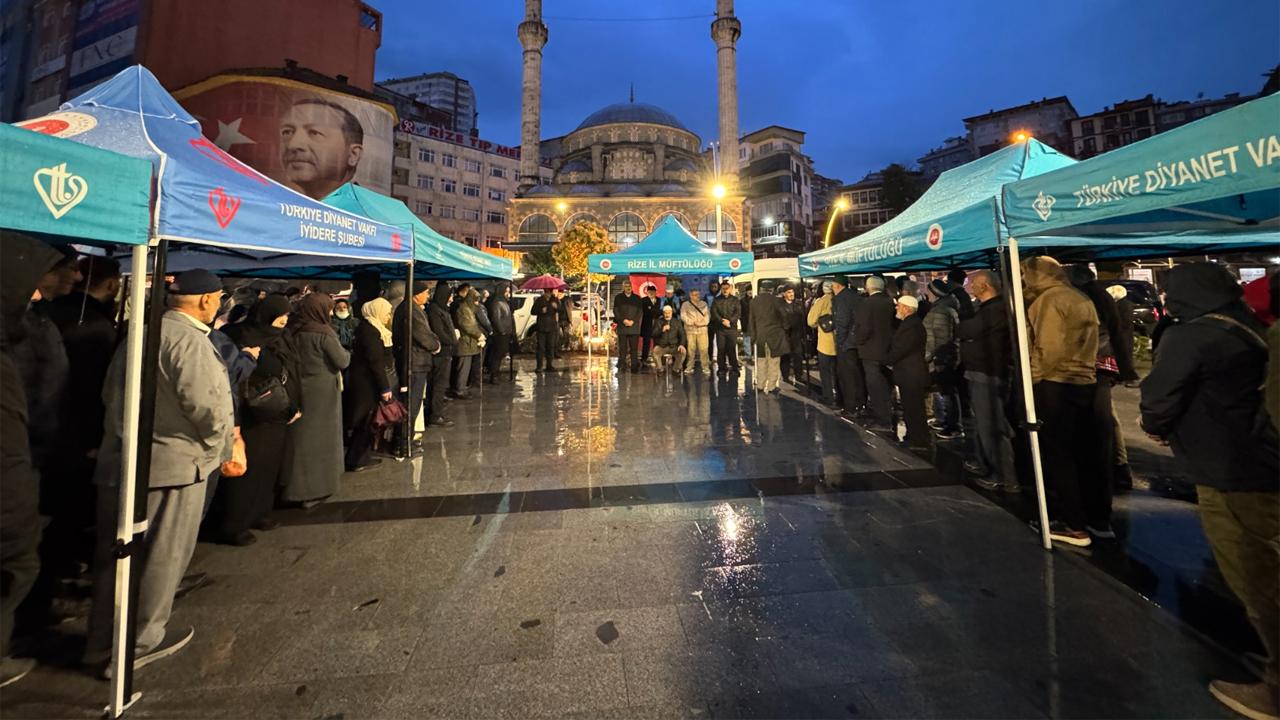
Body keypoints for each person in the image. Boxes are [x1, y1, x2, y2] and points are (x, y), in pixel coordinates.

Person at [1139, 263, 1279, 719]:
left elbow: (1160, 397)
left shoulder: (1190, 335)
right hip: (1261, 460)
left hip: (1226, 467)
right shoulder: (1247, 325)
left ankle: (1275, 688)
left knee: (1253, 574)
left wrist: (1158, 425)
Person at [85, 269, 236, 674]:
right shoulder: (188, 341)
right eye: (219, 297)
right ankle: (141, 640)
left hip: (123, 461)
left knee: (116, 559)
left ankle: (101, 641)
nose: (220, 304)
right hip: (174, 466)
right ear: (206, 300)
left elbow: (108, 395)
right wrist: (218, 447)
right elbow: (209, 408)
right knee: (161, 557)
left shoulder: (142, 334)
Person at [24, 257, 120, 628]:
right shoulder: (92, 326)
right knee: (59, 520)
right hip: (70, 438)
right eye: (68, 267)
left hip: (43, 437)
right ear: (112, 285)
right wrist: (94, 437)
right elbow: (96, 389)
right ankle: (45, 599)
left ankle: (47, 593)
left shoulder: (44, 317)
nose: (75, 275)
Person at [1, 233, 65, 687]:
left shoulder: (23, 333)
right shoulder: (23, 338)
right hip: (17, 475)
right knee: (18, 564)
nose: (39, 295)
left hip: (36, 457)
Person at [1022, 256, 1100, 547]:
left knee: (1059, 454)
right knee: (1080, 452)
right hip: (1084, 381)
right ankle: (1089, 516)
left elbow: (1049, 347)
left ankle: (1073, 524)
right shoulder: (1079, 297)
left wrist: (1033, 379)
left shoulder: (1050, 300)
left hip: (1057, 383)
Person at [212, 294, 298, 546]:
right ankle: (235, 522)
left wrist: (293, 404)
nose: (284, 319)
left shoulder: (281, 337)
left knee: (268, 466)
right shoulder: (240, 336)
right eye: (280, 315)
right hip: (251, 413)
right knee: (246, 469)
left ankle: (261, 512)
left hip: (277, 412)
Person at [1067, 264, 1131, 537]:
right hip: (1101, 374)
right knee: (1103, 434)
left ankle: (1091, 515)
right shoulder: (1103, 301)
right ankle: (1116, 474)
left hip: (1083, 376)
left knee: (1087, 445)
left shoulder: (1084, 306)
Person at [281, 293, 349, 507]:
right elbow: (342, 360)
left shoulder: (294, 330)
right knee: (321, 441)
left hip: (298, 389)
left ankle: (293, 489)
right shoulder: (324, 333)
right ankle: (317, 489)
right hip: (323, 392)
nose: (330, 312)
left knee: (300, 440)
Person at [957, 270, 1018, 493]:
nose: (969, 286)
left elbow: (966, 329)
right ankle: (987, 464)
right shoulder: (986, 309)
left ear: (985, 286)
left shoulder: (995, 310)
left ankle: (1004, 476)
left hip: (989, 373)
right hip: (979, 371)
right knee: (983, 424)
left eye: (973, 283)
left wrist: (965, 328)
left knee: (992, 425)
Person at [345, 297, 397, 472]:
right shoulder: (371, 332)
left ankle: (360, 456)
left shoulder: (372, 328)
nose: (389, 316)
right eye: (387, 312)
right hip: (366, 383)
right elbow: (376, 362)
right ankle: (356, 458)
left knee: (367, 420)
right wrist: (385, 387)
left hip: (367, 381)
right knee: (366, 420)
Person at [394, 281, 445, 456]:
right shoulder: (411, 311)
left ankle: (404, 439)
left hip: (416, 362)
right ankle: (403, 442)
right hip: (414, 363)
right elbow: (423, 335)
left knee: (412, 403)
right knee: (411, 404)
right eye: (426, 292)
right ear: (416, 294)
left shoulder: (412, 308)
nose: (428, 295)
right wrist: (436, 345)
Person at [278, 98, 364, 200]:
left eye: (314, 132)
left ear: (353, 154)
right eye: (287, 132)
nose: (293, 145)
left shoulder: (368, 213)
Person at [886, 295, 929, 448]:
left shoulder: (911, 326)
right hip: (909, 372)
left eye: (899, 306)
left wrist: (887, 360)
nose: (896, 308)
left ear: (906, 308)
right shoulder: (911, 324)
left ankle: (919, 439)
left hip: (911, 373)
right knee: (911, 406)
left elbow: (901, 349)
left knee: (914, 408)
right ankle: (915, 435)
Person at [854, 276, 896, 430]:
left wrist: (858, 340)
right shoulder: (890, 301)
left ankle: (883, 420)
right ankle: (889, 413)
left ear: (868, 287)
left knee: (875, 386)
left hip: (871, 350)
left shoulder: (867, 304)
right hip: (888, 349)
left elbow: (864, 328)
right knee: (886, 384)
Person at [924, 279, 962, 439]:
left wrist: (935, 357)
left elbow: (941, 337)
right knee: (944, 390)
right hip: (945, 355)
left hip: (942, 357)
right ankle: (945, 420)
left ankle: (953, 425)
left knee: (947, 391)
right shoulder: (945, 308)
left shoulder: (940, 311)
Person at [831, 277, 865, 417]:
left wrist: (841, 343)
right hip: (857, 342)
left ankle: (850, 407)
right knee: (857, 374)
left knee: (847, 376)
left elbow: (842, 321)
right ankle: (860, 403)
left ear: (837, 286)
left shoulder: (841, 299)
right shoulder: (855, 296)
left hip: (846, 343)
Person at [425, 285, 457, 428]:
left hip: (445, 351)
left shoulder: (441, 309)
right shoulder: (435, 311)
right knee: (438, 384)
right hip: (440, 353)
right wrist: (453, 340)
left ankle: (435, 412)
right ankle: (435, 415)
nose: (451, 298)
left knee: (439, 384)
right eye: (449, 295)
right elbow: (439, 331)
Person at [749, 288, 789, 393]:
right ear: (771, 290)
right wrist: (784, 327)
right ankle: (771, 386)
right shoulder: (776, 300)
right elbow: (784, 315)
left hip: (760, 336)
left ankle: (760, 385)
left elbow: (751, 320)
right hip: (774, 336)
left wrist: (753, 338)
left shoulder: (754, 301)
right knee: (773, 361)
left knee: (761, 361)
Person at [808, 282, 838, 407]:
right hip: (841, 341)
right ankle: (841, 396)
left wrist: (817, 326)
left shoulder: (821, 302)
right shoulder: (839, 300)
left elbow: (811, 321)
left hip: (825, 343)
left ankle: (828, 396)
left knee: (825, 372)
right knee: (838, 372)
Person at [451, 286, 483, 397]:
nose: (476, 303)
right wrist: (479, 335)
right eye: (475, 300)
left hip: (469, 343)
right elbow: (468, 325)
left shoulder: (468, 308)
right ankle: (460, 389)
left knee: (465, 367)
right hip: (465, 343)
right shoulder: (463, 309)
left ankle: (462, 387)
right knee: (463, 368)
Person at [485, 282, 515, 383]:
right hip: (500, 334)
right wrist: (501, 330)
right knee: (497, 354)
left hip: (506, 332)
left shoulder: (504, 302)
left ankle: (496, 372)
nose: (508, 293)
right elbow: (495, 318)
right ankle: (494, 375)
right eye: (506, 291)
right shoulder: (497, 303)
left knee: (501, 353)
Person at [711, 283, 742, 374]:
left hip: (731, 328)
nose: (725, 290)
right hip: (720, 328)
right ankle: (721, 368)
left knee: (731, 348)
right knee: (721, 349)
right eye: (723, 288)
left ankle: (734, 367)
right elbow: (714, 312)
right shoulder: (716, 300)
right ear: (720, 289)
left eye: (727, 288)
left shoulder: (735, 300)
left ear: (730, 289)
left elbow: (738, 313)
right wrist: (722, 321)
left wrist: (730, 321)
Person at [613, 283, 644, 373]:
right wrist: (623, 320)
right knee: (623, 349)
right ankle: (622, 366)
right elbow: (616, 311)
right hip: (622, 327)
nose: (628, 288)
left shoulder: (637, 298)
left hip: (634, 328)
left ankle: (634, 367)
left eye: (629, 286)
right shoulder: (618, 297)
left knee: (634, 349)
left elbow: (640, 311)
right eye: (626, 287)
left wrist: (633, 321)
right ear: (623, 287)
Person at [779, 286, 807, 385]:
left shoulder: (799, 304)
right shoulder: (779, 305)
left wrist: (804, 333)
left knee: (798, 355)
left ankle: (798, 375)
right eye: (789, 292)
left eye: (792, 292)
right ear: (784, 294)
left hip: (797, 334)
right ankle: (785, 375)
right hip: (785, 335)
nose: (792, 294)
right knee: (785, 356)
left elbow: (804, 319)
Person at [680, 288, 711, 372]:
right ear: (690, 295)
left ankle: (705, 367)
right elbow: (683, 316)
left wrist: (701, 323)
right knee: (691, 350)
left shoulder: (704, 304)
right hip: (690, 330)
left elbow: (707, 317)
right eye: (695, 295)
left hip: (702, 330)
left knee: (704, 349)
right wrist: (692, 322)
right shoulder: (685, 305)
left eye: (698, 294)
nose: (698, 296)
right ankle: (689, 366)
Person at [531, 288, 560, 372]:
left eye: (549, 293)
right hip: (541, 326)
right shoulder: (539, 300)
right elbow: (533, 311)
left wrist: (556, 307)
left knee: (550, 346)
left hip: (551, 326)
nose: (548, 294)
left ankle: (549, 365)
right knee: (541, 347)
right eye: (547, 293)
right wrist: (541, 311)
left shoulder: (554, 300)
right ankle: (539, 366)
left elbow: (561, 310)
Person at [652, 305, 687, 373]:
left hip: (674, 346)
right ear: (663, 313)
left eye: (669, 313)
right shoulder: (659, 321)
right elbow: (653, 334)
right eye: (665, 313)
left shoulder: (677, 322)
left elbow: (682, 335)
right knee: (655, 352)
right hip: (662, 346)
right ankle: (660, 369)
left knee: (683, 352)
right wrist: (662, 330)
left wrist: (682, 344)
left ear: (671, 313)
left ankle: (676, 369)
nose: (667, 315)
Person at [639, 285, 661, 364]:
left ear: (655, 292)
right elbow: (644, 311)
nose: (651, 293)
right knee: (646, 342)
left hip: (657, 323)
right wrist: (652, 310)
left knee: (657, 341)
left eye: (653, 292)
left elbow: (660, 311)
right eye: (649, 292)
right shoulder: (643, 300)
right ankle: (644, 358)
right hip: (647, 323)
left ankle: (657, 358)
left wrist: (653, 310)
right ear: (647, 292)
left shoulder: (659, 300)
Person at [555, 288, 573, 354]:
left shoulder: (567, 299)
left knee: (566, 334)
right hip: (558, 319)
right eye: (558, 294)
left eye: (560, 294)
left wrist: (570, 321)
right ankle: (559, 346)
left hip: (565, 319)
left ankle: (566, 346)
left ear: (562, 293)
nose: (558, 295)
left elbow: (570, 309)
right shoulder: (556, 300)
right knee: (557, 334)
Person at [707, 280, 721, 363]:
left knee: (720, 341)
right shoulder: (707, 296)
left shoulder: (721, 295)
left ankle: (720, 357)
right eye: (712, 287)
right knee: (710, 341)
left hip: (719, 321)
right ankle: (709, 358)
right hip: (710, 321)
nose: (714, 288)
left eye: (715, 286)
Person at [740, 287, 754, 361]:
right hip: (746, 322)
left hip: (754, 322)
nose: (750, 292)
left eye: (751, 290)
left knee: (755, 339)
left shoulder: (756, 299)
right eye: (749, 290)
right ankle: (748, 355)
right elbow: (740, 312)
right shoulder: (742, 301)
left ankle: (755, 354)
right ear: (746, 291)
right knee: (747, 339)